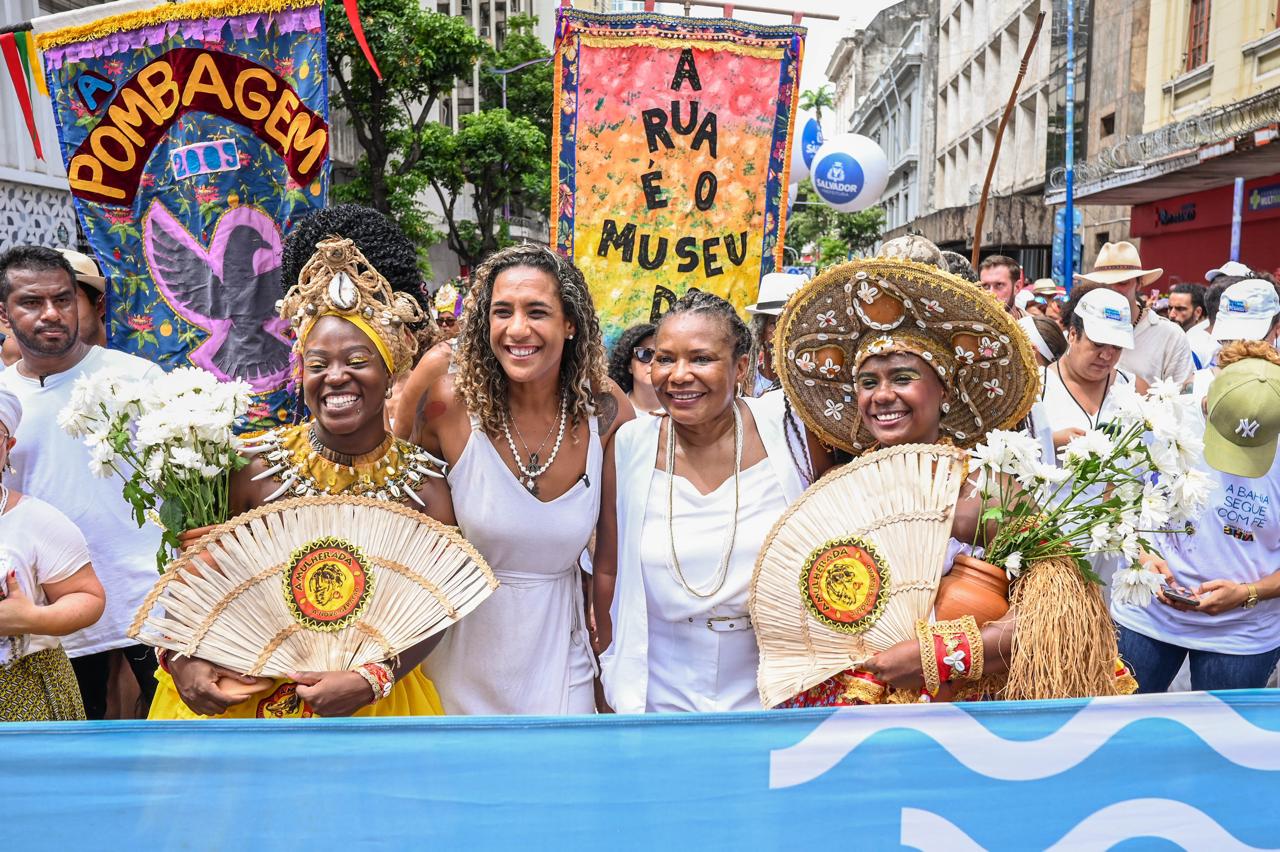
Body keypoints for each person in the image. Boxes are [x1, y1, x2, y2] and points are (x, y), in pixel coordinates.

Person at [154, 230, 456, 719]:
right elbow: (194, 583)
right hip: (244, 701)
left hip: (370, 705)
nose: (335, 376)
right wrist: (182, 659)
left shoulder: (425, 488)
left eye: (357, 361)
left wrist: (372, 678)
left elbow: (437, 607)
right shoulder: (252, 469)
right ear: (302, 374)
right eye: (318, 364)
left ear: (390, 373)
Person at [768, 258, 1046, 706]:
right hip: (853, 712)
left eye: (903, 378)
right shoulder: (836, 491)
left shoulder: (987, 491)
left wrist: (940, 655)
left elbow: (1056, 613)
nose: (882, 396)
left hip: (965, 714)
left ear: (945, 390)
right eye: (867, 382)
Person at [412, 243, 633, 715]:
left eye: (537, 312)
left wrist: (611, 660)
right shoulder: (447, 407)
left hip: (563, 657)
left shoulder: (607, 412)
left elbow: (619, 552)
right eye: (502, 312)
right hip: (456, 659)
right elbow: (402, 527)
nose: (517, 329)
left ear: (570, 323)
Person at [594, 292, 832, 713]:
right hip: (659, 692)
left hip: (777, 689)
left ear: (741, 367)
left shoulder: (789, 431)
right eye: (664, 359)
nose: (679, 375)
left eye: (701, 359)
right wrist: (610, 679)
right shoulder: (630, 445)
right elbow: (608, 571)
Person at [0, 246, 163, 720]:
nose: (51, 313)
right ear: (4, 314)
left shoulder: (137, 378)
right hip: (52, 618)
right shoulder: (4, 399)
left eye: (63, 299)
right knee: (79, 745)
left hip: (149, 604)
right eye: (32, 302)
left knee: (172, 743)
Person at [1113, 346, 1280, 691]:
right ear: (1211, 391)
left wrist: (1248, 592)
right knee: (1121, 718)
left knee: (1223, 727)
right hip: (1147, 615)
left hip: (1242, 635)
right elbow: (1115, 502)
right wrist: (1142, 556)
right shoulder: (1161, 421)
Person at [1027, 287, 1146, 588]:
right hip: (1052, 543)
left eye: (1117, 347)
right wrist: (1051, 441)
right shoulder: (1037, 388)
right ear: (1072, 334)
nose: (1107, 355)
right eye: (1098, 344)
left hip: (1114, 548)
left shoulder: (1133, 388)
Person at [0, 389, 106, 721]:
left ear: (8, 447)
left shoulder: (36, 520)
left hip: (22, 692)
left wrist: (30, 618)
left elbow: (88, 598)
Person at [1074, 241, 1192, 385]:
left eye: (1122, 283)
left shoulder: (1170, 335)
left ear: (1139, 283)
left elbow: (1183, 394)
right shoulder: (1080, 326)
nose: (1112, 289)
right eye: (1103, 284)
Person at [746, 272, 806, 395]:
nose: (783, 332)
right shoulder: (744, 381)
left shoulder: (809, 387)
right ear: (760, 331)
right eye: (775, 323)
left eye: (790, 323)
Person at [54, 249, 107, 348]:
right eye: (34, 303)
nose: (50, 314)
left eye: (63, 300)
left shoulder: (131, 356)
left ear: (100, 305)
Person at [608, 322, 660, 416]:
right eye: (644, 354)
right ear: (629, 366)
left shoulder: (681, 411)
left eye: (662, 357)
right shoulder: (613, 412)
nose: (653, 361)